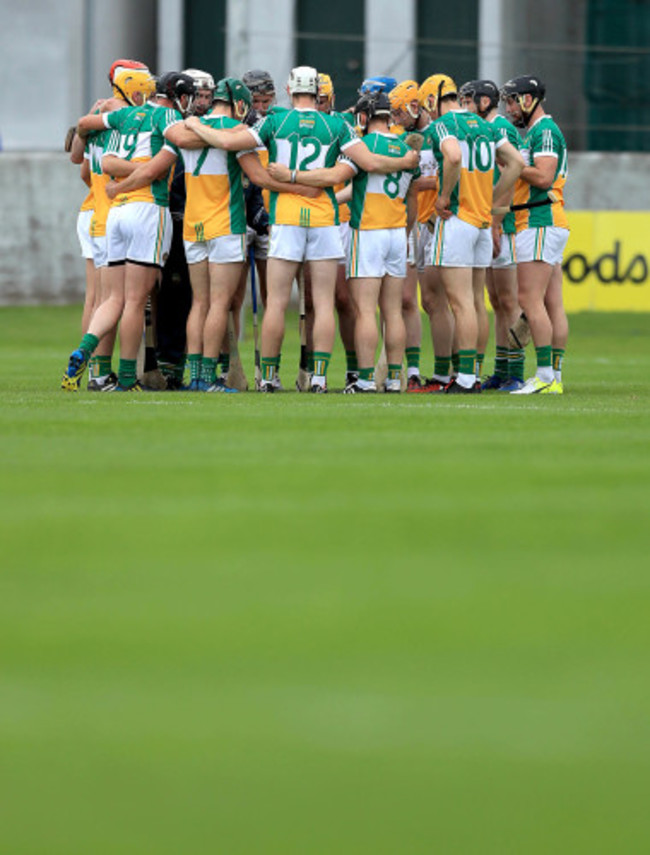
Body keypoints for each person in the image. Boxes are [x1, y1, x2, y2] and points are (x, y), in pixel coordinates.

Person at [185, 65, 419, 393]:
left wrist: (196, 124)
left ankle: (268, 377)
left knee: (277, 301)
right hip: (324, 217)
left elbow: (227, 140)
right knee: (322, 303)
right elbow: (366, 163)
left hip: (286, 217)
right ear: (319, 93)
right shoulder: (337, 124)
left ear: (289, 88)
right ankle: (319, 378)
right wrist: (407, 161)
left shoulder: (275, 120)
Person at [60, 68, 189, 392]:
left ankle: (86, 350)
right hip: (147, 211)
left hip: (114, 213)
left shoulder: (122, 118)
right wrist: (145, 172)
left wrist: (122, 186)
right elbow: (159, 168)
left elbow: (102, 164)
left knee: (109, 298)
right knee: (134, 301)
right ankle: (128, 377)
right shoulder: (168, 121)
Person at [422, 73, 524, 394]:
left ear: (432, 102)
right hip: (481, 222)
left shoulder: (443, 125)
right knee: (477, 302)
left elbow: (452, 156)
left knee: (460, 302)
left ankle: (465, 378)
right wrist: (493, 199)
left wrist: (442, 196)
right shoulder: (487, 126)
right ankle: (474, 373)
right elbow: (516, 163)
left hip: (457, 221)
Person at [500, 74, 569, 394]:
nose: (510, 108)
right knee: (552, 302)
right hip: (545, 219)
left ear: (529, 99)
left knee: (529, 299)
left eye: (513, 100)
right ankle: (553, 377)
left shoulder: (544, 131)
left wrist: (511, 164)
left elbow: (543, 176)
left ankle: (544, 376)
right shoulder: (538, 132)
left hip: (539, 218)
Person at [458, 79, 526, 391]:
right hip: (487, 221)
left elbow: (510, 178)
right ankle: (500, 369)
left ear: (485, 101)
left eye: (469, 100)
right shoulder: (483, 128)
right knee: (496, 300)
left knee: (509, 299)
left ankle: (516, 371)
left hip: (503, 224)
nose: (465, 106)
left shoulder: (501, 128)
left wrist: (496, 221)